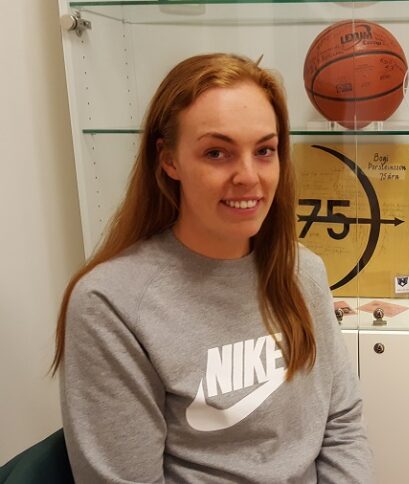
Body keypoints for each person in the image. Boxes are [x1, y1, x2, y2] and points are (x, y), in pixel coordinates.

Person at [50, 53, 373, 483]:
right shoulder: (110, 304)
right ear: (169, 160)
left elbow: (342, 425)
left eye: (265, 150)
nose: (248, 176)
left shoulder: (304, 273)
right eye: (217, 152)